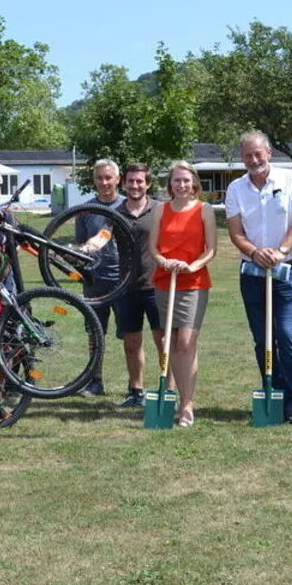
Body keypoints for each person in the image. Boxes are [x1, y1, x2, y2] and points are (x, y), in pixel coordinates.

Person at [226, 131, 292, 424]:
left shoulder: (290, 180)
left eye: (257, 154)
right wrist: (255, 251)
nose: (253, 160)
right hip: (252, 274)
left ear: (269, 153)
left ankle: (291, 403)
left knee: (286, 335)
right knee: (263, 338)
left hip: (286, 272)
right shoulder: (236, 188)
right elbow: (236, 231)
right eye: (247, 156)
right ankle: (270, 392)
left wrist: (281, 250)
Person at [148, 160, 216, 427]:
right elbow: (153, 247)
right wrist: (163, 262)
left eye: (186, 180)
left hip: (194, 283)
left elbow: (211, 249)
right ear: (170, 185)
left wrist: (192, 266)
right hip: (165, 281)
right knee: (171, 340)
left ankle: (187, 405)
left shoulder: (204, 210)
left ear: (194, 183)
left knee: (186, 341)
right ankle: (176, 398)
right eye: (177, 180)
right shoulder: (160, 210)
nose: (182, 185)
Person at [112, 163, 164, 407]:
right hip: (126, 288)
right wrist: (86, 248)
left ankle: (169, 389)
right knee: (132, 344)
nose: (135, 185)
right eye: (131, 181)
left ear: (148, 184)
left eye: (139, 181)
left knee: (163, 341)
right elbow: (101, 237)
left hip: (156, 286)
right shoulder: (116, 212)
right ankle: (136, 390)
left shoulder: (160, 210)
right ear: (124, 183)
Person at [75, 159, 126, 397]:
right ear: (94, 180)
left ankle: (135, 386)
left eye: (108, 177)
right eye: (99, 178)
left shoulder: (128, 206)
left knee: (131, 336)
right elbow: (81, 246)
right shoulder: (84, 210)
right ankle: (96, 381)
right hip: (95, 281)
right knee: (95, 334)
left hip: (125, 280)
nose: (104, 182)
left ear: (118, 178)